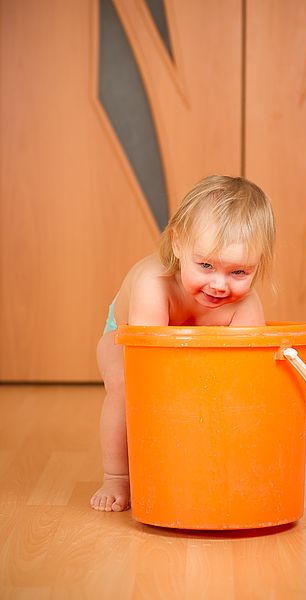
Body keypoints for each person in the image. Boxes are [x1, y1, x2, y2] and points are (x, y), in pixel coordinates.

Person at [90, 175, 276, 511]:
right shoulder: (154, 283)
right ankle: (116, 476)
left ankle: (210, 467)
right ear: (178, 245)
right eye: (205, 265)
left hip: (197, 351)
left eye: (239, 273)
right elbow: (152, 368)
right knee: (126, 385)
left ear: (257, 264)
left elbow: (248, 380)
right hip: (132, 338)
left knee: (222, 398)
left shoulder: (246, 305)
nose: (219, 284)